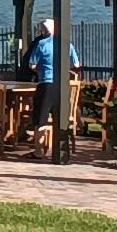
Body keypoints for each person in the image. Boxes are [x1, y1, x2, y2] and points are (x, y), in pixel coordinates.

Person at [29, 16, 80, 152]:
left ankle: (38, 151)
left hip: (46, 83)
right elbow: (76, 64)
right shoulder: (67, 44)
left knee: (40, 118)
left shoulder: (42, 44)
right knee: (61, 117)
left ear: (44, 31)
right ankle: (63, 148)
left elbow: (32, 65)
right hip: (63, 85)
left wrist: (41, 68)